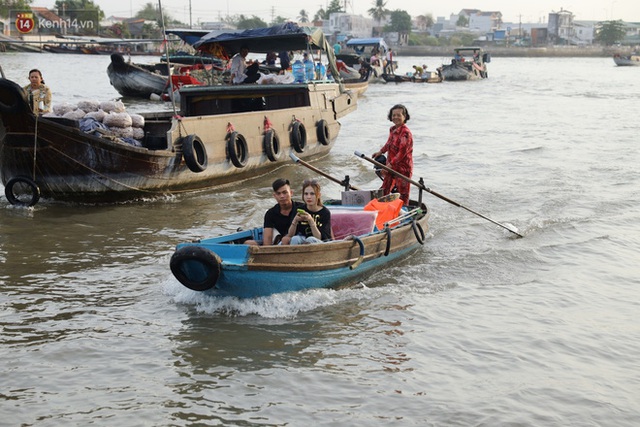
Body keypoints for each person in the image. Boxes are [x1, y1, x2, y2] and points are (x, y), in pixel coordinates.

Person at [372, 104, 414, 206]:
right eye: (393, 115)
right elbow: (389, 143)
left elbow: (401, 153)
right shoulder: (392, 129)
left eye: (398, 115)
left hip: (402, 169)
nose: (396, 117)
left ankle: (403, 212)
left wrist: (388, 166)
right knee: (385, 188)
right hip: (391, 165)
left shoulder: (405, 133)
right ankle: (380, 208)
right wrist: (380, 152)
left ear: (404, 117)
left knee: (402, 194)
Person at [247, 178, 305, 246]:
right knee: (248, 243)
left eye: (284, 192)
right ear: (274, 196)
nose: (282, 196)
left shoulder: (302, 208)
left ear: (291, 193)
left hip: (299, 242)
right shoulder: (271, 213)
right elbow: (267, 241)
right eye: (278, 193)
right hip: (278, 244)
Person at [287, 179, 332, 245]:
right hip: (302, 238)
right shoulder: (299, 209)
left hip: (320, 242)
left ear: (318, 195)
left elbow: (319, 237)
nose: (308, 197)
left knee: (310, 239)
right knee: (295, 239)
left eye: (312, 194)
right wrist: (295, 221)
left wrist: (311, 221)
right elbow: (290, 235)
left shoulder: (325, 212)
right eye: (306, 194)